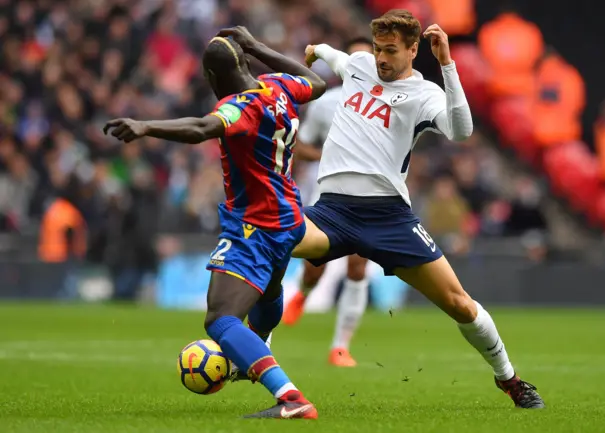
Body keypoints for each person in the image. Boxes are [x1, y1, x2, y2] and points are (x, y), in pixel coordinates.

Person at [238, 9, 545, 409]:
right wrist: (317, 50)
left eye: (391, 50)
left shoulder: (426, 95)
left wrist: (447, 64)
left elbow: (462, 130)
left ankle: (510, 379)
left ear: (414, 50)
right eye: (378, 48)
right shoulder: (361, 66)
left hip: (389, 218)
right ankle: (259, 347)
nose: (381, 58)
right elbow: (338, 57)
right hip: (332, 210)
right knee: (272, 241)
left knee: (459, 304)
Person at [104, 32, 327, 419]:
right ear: (245, 64)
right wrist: (256, 47)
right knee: (268, 290)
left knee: (220, 318)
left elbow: (200, 129)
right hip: (290, 218)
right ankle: (252, 355)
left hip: (255, 226)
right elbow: (318, 82)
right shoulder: (278, 86)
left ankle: (290, 398)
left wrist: (145, 127)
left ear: (211, 75)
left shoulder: (239, 108)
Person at [282, 36, 374, 368]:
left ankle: (340, 347)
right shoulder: (327, 103)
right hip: (330, 193)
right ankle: (303, 293)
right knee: (316, 266)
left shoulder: (388, 102)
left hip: (370, 196)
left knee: (358, 265)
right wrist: (329, 154)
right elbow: (300, 146)